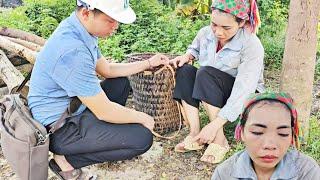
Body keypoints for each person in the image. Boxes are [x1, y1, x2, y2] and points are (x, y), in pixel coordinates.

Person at [27, 0, 169, 179]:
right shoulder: (72, 50)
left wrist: (148, 63)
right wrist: (143, 117)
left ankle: (103, 140)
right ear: (87, 13)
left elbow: (107, 70)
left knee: (120, 82)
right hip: (59, 128)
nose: (116, 26)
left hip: (73, 107)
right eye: (110, 21)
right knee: (141, 139)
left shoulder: (79, 29)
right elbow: (104, 111)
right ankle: (67, 159)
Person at [170, 0, 264, 164]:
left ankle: (219, 139)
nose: (218, 32)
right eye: (214, 24)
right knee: (185, 71)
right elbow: (195, 49)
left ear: (241, 22)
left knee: (205, 73)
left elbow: (244, 90)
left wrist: (214, 125)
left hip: (241, 96)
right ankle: (194, 132)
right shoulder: (205, 33)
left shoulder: (251, 44)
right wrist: (188, 56)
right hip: (211, 85)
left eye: (226, 28)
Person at [211, 92, 320, 180]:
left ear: (291, 135)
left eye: (283, 133)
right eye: (257, 132)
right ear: (242, 132)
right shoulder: (224, 174)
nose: (269, 145)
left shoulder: (307, 172)